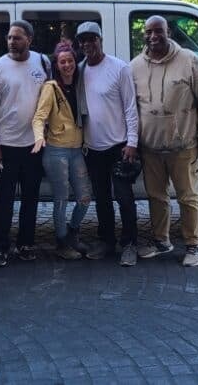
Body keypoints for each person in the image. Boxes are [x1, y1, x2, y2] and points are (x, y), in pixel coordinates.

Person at [131, 15, 198, 267]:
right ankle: (161, 241)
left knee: (188, 197)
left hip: (183, 145)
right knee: (156, 197)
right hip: (150, 147)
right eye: (148, 32)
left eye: (159, 31)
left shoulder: (189, 61)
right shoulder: (135, 66)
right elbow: (131, 106)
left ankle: (193, 245)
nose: (153, 36)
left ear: (168, 32)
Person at [73, 21, 140, 267]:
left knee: (124, 197)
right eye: (83, 41)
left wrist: (132, 142)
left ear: (100, 40)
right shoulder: (79, 70)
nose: (88, 44)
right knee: (101, 198)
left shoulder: (119, 68)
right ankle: (107, 241)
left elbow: (131, 108)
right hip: (92, 148)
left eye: (92, 39)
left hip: (119, 146)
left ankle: (130, 244)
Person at [0, 20, 50, 267]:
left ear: (29, 40)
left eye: (18, 37)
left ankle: (25, 243)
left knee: (31, 197)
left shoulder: (43, 63)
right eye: (10, 37)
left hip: (34, 144)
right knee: (4, 199)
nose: (12, 42)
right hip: (6, 146)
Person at [31, 40, 91, 260]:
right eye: (62, 61)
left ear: (75, 62)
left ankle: (72, 233)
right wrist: (39, 137)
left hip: (76, 150)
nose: (67, 65)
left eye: (70, 60)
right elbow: (39, 117)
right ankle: (62, 242)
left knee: (85, 197)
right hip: (56, 150)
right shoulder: (50, 87)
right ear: (57, 64)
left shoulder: (78, 84)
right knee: (61, 199)